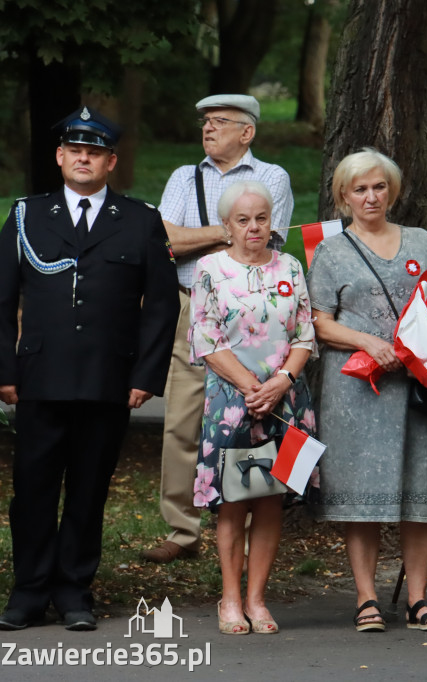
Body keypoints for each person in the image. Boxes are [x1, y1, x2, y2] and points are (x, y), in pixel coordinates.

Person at [0, 107, 178, 631]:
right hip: (39, 379)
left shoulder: (141, 221)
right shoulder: (28, 215)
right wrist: (0, 368)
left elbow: (162, 307)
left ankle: (74, 591)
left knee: (89, 489)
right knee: (31, 490)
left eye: (94, 152)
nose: (83, 158)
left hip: (108, 381)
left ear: (110, 162)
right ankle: (27, 595)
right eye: (74, 150)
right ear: (59, 156)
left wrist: (145, 377)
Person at [143, 94, 294, 565]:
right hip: (192, 310)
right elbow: (163, 240)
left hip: (256, 318)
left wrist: (202, 235)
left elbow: (266, 241)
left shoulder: (272, 177)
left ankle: (246, 526)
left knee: (254, 420)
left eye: (219, 121)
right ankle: (181, 531)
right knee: (183, 421)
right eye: (205, 121)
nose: (207, 128)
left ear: (246, 132)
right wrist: (226, 230)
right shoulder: (183, 177)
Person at [308, 149, 427, 633]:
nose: (371, 197)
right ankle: (366, 598)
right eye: (360, 189)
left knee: (419, 492)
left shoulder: (421, 241)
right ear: (343, 196)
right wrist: (369, 339)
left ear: (392, 191)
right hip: (356, 390)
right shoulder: (331, 251)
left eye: (379, 187)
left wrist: (422, 347)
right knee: (360, 497)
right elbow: (318, 323)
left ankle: (418, 599)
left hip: (415, 389)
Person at [187, 181, 314, 635]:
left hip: (285, 401)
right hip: (231, 404)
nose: (253, 227)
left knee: (270, 500)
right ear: (227, 225)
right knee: (233, 502)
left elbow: (304, 334)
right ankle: (230, 598)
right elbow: (205, 338)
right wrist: (251, 387)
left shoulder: (291, 266)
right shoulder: (210, 268)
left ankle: (258, 600)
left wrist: (279, 383)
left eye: (261, 217)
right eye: (243, 219)